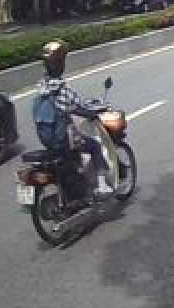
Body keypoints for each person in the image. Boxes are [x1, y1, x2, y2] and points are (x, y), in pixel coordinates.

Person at [32, 41, 113, 198]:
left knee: (74, 151)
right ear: (60, 63)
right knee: (95, 146)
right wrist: (91, 113)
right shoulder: (62, 87)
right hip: (62, 138)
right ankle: (102, 186)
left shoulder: (41, 86)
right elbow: (77, 106)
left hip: (47, 139)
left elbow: (65, 107)